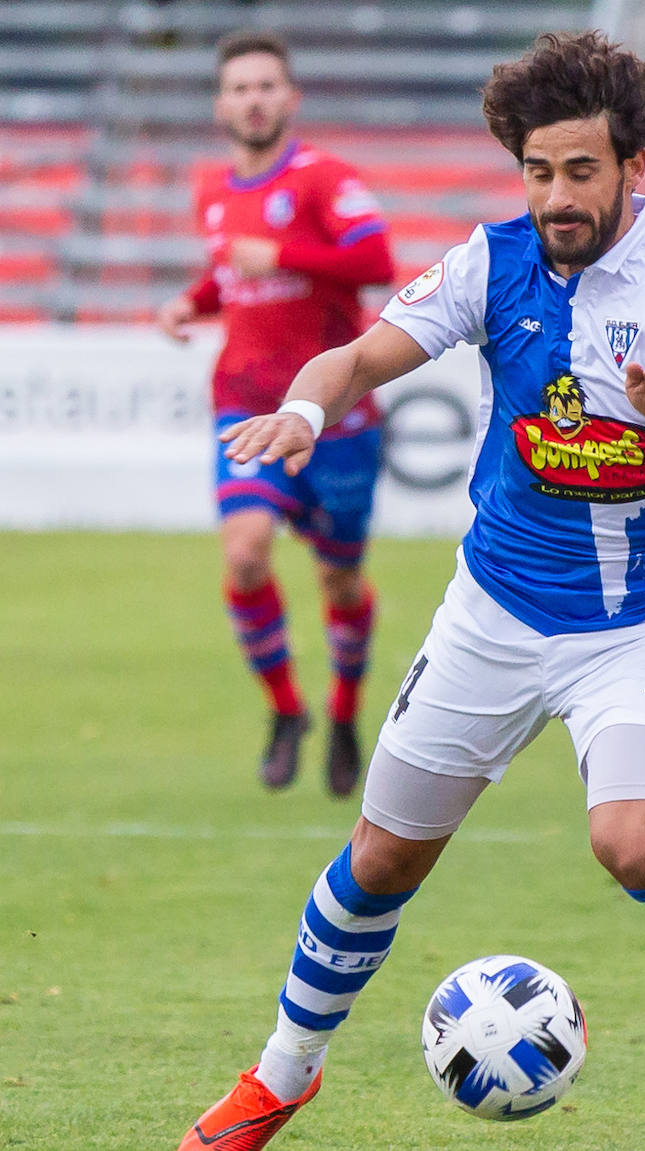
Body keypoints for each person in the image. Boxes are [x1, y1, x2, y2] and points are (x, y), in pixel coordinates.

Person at [173, 30, 645, 1151]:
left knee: (635, 842)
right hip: (492, 615)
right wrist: (303, 407)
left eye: (578, 171)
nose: (554, 196)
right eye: (536, 171)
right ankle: (276, 1080)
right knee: (380, 860)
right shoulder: (493, 263)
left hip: (636, 624)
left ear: (631, 164)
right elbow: (353, 357)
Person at [158, 30, 395, 796]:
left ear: (289, 99)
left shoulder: (325, 179)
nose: (253, 99)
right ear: (221, 103)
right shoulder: (213, 191)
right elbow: (228, 276)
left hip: (334, 420)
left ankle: (346, 710)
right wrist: (190, 303)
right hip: (245, 408)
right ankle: (288, 711)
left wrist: (286, 254)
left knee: (341, 585)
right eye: (239, 87)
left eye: (266, 86)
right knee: (245, 552)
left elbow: (376, 262)